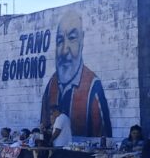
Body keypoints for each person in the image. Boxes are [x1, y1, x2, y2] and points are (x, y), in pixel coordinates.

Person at [41, 9, 112, 138]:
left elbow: (104, 138)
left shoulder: (93, 87)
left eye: (72, 38)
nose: (64, 50)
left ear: (82, 40)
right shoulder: (51, 85)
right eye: (60, 40)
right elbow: (43, 125)